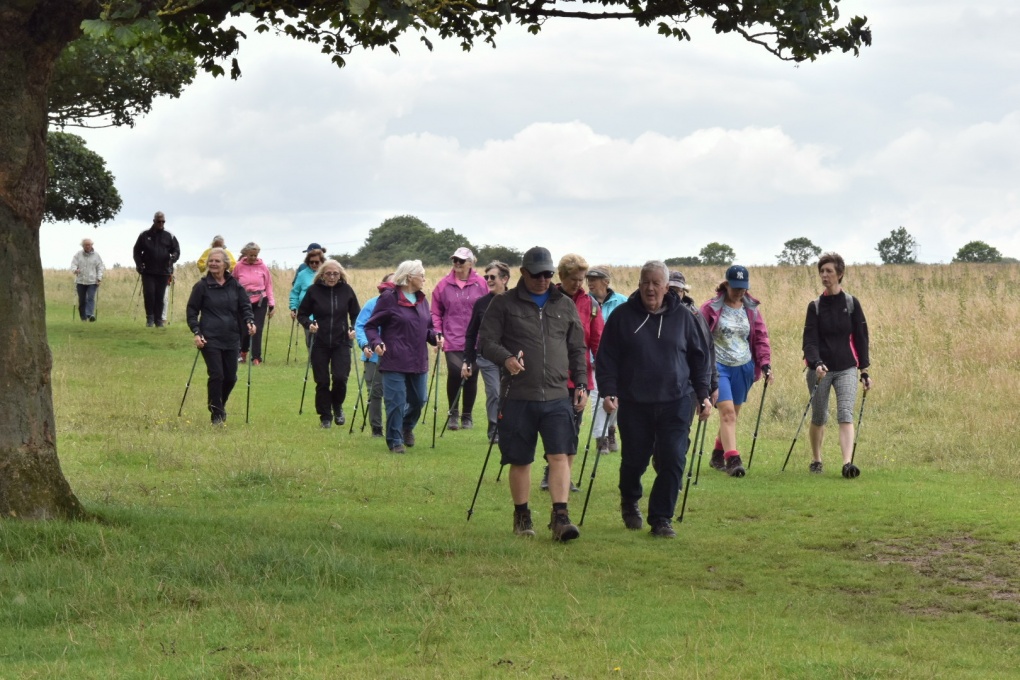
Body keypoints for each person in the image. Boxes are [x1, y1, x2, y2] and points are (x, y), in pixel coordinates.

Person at [596, 261, 712, 538]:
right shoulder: (623, 316)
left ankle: (661, 518)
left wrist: (703, 394)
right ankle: (630, 499)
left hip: (676, 401)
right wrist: (608, 390)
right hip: (635, 402)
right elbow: (607, 358)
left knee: (673, 459)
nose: (650, 288)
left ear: (666, 287)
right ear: (639, 284)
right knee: (635, 460)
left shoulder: (685, 317)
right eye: (645, 282)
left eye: (656, 283)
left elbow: (700, 358)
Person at [480, 246, 588, 541]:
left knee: (560, 455)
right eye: (538, 274)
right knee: (520, 459)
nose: (543, 280)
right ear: (524, 273)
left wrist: (581, 384)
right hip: (518, 396)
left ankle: (561, 517)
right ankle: (522, 515)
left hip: (557, 395)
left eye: (548, 274)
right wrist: (506, 358)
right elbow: (486, 342)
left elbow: (578, 348)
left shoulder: (564, 305)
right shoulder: (503, 303)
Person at [802, 252, 872, 478]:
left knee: (845, 413)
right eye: (822, 271)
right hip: (820, 370)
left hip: (846, 368)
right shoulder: (815, 306)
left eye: (829, 271)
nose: (824, 275)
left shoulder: (851, 303)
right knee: (819, 416)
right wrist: (817, 363)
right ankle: (816, 459)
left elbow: (861, 337)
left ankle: (847, 463)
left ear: (840, 274)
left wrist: (864, 369)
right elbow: (809, 341)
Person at [698, 265, 773, 477]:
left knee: (732, 415)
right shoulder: (710, 308)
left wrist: (765, 364)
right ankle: (733, 459)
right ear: (727, 284)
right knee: (727, 413)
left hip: (743, 367)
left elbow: (760, 337)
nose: (740, 292)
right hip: (718, 367)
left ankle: (717, 454)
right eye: (736, 287)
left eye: (743, 288)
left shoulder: (751, 308)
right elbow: (700, 338)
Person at [539, 253, 602, 492]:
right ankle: (552, 471)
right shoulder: (546, 300)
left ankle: (563, 476)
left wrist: (607, 374)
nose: (578, 283)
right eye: (573, 279)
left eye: (582, 279)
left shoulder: (591, 305)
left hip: (580, 375)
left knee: (573, 426)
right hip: (550, 375)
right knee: (555, 426)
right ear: (562, 277)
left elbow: (597, 341)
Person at [365, 260, 443, 453]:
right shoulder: (388, 298)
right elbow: (371, 326)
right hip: (394, 359)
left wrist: (436, 337)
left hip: (418, 360)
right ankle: (394, 441)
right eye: (422, 275)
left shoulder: (422, 300)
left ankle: (406, 426)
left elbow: (428, 328)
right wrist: (376, 343)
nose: (425, 279)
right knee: (396, 402)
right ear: (409, 277)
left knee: (419, 400)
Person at [186, 248, 255, 425]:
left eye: (217, 261)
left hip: (232, 337)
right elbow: (192, 311)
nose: (213, 264)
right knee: (217, 375)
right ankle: (217, 414)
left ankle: (218, 404)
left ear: (226, 264)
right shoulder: (202, 286)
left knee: (231, 377)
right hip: (209, 338)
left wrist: (249, 320)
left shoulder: (235, 285)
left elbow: (245, 306)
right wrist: (196, 332)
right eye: (211, 261)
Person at [298, 260, 361, 429]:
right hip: (319, 341)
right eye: (328, 274)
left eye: (335, 274)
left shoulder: (347, 291)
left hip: (342, 341)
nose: (332, 277)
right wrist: (309, 324)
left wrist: (353, 328)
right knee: (322, 380)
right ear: (322, 275)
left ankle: (337, 406)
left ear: (340, 275)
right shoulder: (313, 291)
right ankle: (325, 416)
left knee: (340, 378)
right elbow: (302, 313)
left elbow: (356, 314)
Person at [431, 247, 488, 431]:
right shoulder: (443, 285)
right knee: (456, 372)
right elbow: (436, 312)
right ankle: (453, 413)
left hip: (477, 339)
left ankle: (467, 415)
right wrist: (438, 332)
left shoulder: (481, 284)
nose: (457, 263)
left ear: (471, 263)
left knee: (471, 375)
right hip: (452, 337)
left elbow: (490, 307)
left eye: (461, 261)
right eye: (454, 260)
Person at [462, 261, 512, 442]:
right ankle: (494, 430)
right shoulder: (481, 303)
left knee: (510, 394)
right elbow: (470, 333)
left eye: (492, 277)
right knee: (495, 392)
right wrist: (467, 360)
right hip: (487, 356)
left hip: (511, 356)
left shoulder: (515, 300)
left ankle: (509, 427)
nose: (488, 280)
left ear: (504, 279)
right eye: (486, 277)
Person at [585, 266, 627, 454]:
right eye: (589, 279)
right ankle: (600, 438)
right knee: (597, 399)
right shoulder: (585, 302)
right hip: (593, 360)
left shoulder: (622, 302)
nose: (590, 282)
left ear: (606, 281)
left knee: (616, 398)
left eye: (595, 278)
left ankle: (611, 429)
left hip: (617, 361)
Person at [356, 273, 397, 438]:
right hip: (373, 356)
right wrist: (365, 345)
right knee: (375, 392)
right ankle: (377, 428)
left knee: (395, 393)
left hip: (397, 357)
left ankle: (395, 427)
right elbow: (361, 326)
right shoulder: (372, 304)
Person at [133, 211, 180, 328]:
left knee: (160, 296)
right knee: (149, 294)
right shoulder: (144, 235)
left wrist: (173, 258)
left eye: (163, 221)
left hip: (163, 271)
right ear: (154, 221)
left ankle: (159, 320)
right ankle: (150, 318)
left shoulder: (169, 235)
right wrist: (139, 264)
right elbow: (137, 251)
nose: (161, 223)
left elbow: (177, 250)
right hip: (148, 271)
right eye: (159, 221)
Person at [232, 242, 276, 365]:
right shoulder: (238, 266)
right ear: (246, 254)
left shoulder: (263, 267)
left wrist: (271, 304)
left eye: (255, 255)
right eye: (251, 255)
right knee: (245, 330)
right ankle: (243, 351)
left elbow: (268, 285)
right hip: (243, 301)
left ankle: (256, 357)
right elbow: (233, 284)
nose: (253, 258)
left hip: (260, 300)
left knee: (258, 328)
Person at [289, 248, 324, 348]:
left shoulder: (326, 274)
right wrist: (293, 307)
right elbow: (295, 292)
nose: (313, 264)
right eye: (311, 262)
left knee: (322, 340)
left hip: (323, 313)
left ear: (321, 262)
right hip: (307, 314)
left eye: (316, 262)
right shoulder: (302, 275)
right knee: (310, 339)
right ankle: (313, 360)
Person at [70, 238, 104, 322]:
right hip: (80, 281)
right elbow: (73, 264)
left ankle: (90, 314)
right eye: (86, 245)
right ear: (83, 246)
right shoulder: (78, 254)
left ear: (92, 245)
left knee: (90, 297)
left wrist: (99, 278)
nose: (88, 246)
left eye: (89, 245)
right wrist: (75, 270)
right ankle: (83, 317)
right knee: (82, 300)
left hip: (92, 281)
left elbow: (100, 267)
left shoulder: (96, 255)